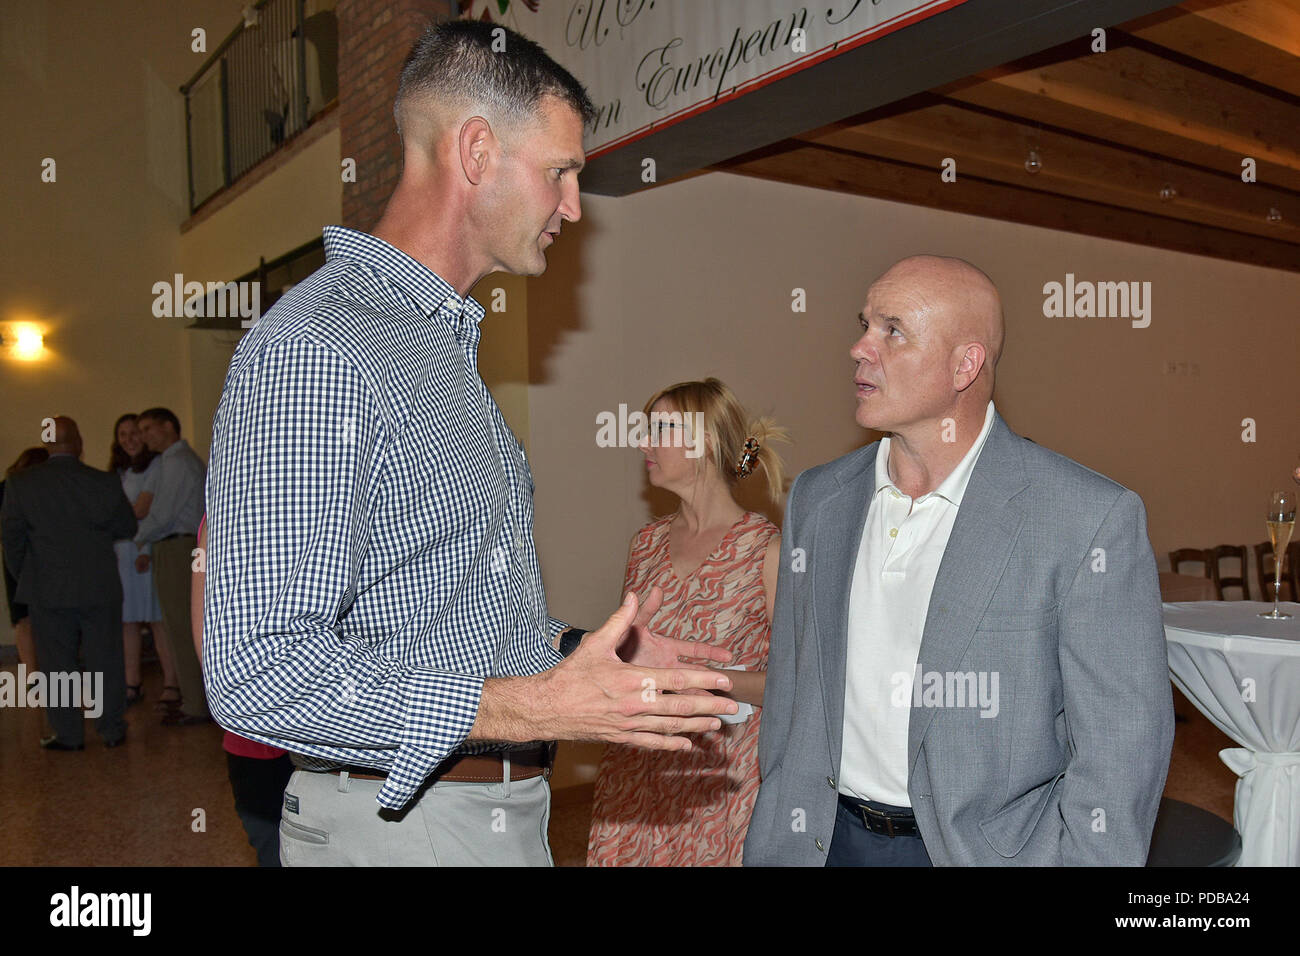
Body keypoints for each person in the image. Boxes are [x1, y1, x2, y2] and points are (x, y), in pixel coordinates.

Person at [202, 19, 737, 868]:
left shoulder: (435, 348)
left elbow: (448, 617)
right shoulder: (320, 349)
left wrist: (580, 655)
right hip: (403, 825)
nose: (573, 206)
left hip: (480, 814)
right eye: (560, 172)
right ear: (477, 151)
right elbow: (258, 672)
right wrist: (535, 709)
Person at [744, 256, 1174, 866]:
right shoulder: (819, 499)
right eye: (866, 324)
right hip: (822, 842)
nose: (859, 348)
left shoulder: (1086, 518)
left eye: (893, 330)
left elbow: (1122, 744)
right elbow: (791, 689)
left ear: (964, 366)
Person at [587, 378, 784, 866]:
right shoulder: (645, 544)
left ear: (706, 442)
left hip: (722, 778)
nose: (643, 443)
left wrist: (699, 682)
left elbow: (794, 683)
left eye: (661, 429)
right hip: (639, 769)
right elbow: (623, 653)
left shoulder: (768, 550)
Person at [1, 417, 136, 750]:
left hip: (47, 587)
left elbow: (11, 539)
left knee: (56, 664)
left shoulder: (21, 484)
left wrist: (26, 575)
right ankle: (111, 729)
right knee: (106, 658)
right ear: (79, 443)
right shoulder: (103, 482)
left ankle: (69, 734)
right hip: (99, 584)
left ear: (47, 445)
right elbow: (127, 526)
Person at [192, 516, 294, 867]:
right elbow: (208, 643)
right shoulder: (223, 514)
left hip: (330, 732)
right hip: (258, 731)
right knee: (272, 841)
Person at [133, 407, 207, 725]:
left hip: (178, 547)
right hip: (177, 545)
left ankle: (196, 704)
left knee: (181, 626)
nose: (143, 436)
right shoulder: (172, 460)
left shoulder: (177, 462)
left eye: (148, 428)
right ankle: (194, 699)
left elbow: (162, 515)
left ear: (168, 426)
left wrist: (134, 538)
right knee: (180, 625)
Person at [108, 414, 178, 707]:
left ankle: (172, 682)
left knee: (157, 619)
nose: (129, 440)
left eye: (134, 433)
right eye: (122, 435)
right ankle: (132, 682)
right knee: (128, 621)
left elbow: (141, 510)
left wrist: (111, 514)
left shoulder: (155, 465)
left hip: (143, 549)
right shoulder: (119, 471)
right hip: (121, 553)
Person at [2, 447, 49, 677]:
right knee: (29, 618)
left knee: (24, 619)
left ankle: (32, 675)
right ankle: (36, 673)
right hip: (33, 557)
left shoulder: (8, 488)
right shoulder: (10, 489)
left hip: (18, 558)